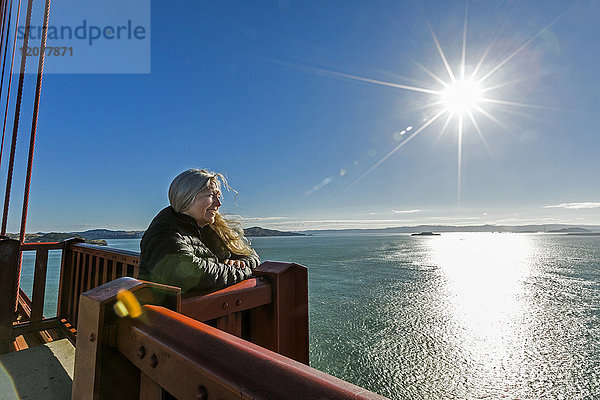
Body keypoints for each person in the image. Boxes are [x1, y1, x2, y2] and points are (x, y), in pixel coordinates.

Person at [139, 169, 260, 293]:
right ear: (186, 197)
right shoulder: (163, 232)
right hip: (164, 311)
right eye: (211, 196)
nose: (218, 203)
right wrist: (244, 271)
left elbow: (251, 255)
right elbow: (192, 274)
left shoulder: (213, 227)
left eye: (218, 196)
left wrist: (241, 263)